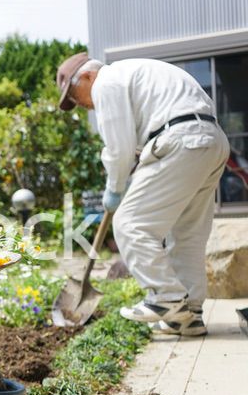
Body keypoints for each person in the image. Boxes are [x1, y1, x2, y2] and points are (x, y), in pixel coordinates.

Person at [56, 53, 229, 336]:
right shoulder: (137, 74)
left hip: (180, 139)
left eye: (75, 95)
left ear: (87, 76)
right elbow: (136, 144)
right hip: (211, 141)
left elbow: (119, 149)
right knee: (186, 235)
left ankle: (165, 297)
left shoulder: (106, 82)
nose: (81, 104)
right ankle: (188, 316)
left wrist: (114, 189)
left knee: (130, 223)